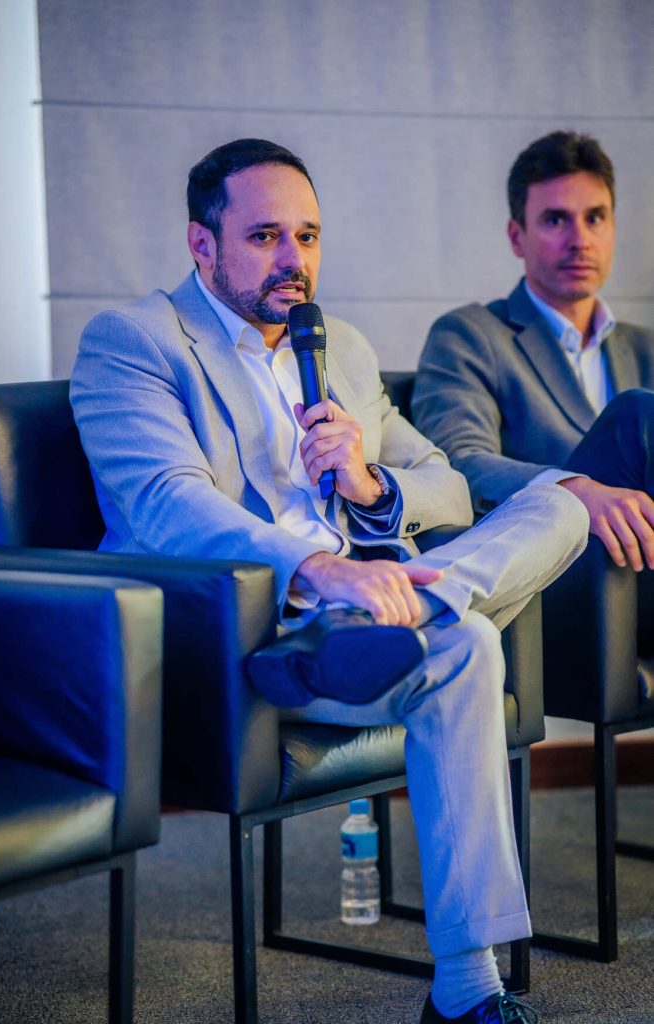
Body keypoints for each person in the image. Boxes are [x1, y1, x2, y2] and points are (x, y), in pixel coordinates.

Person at [70, 138, 588, 1024]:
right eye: (264, 236)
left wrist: (369, 483)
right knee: (468, 641)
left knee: (559, 507)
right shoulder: (135, 341)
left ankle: (414, 612)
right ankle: (470, 990)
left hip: (373, 617)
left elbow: (443, 481)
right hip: (246, 632)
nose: (293, 260)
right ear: (201, 244)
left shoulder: (338, 345)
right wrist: (316, 568)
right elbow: (163, 503)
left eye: (307, 236)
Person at [413, 130, 654, 575]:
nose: (580, 240)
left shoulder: (646, 348)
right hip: (550, 569)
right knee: (638, 413)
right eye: (556, 220)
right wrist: (572, 491)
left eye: (595, 218)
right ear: (516, 236)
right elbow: (457, 463)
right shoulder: (470, 334)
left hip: (641, 569)